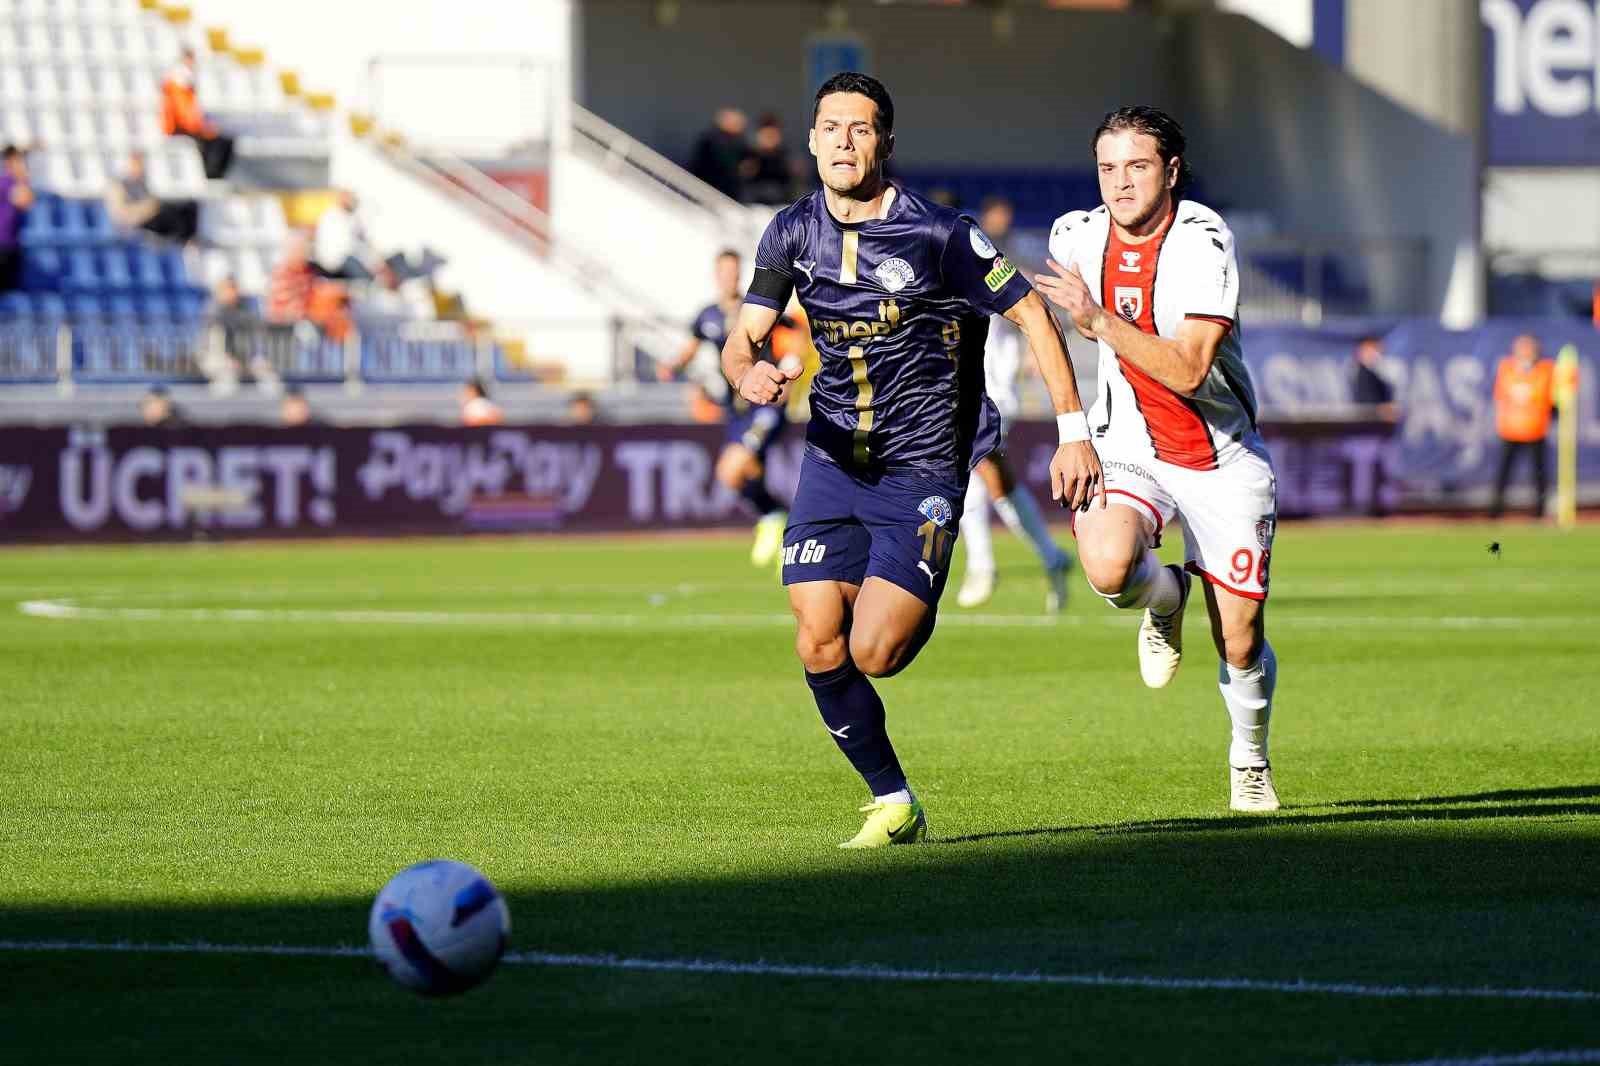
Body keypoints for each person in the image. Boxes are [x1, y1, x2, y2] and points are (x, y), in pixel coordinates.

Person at [721, 73, 1102, 848]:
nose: (843, 142)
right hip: (833, 453)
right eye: (830, 127)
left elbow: (1032, 314)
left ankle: (911, 585)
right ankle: (893, 799)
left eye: (860, 129)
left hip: (923, 464)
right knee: (815, 634)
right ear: (811, 138)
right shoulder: (791, 231)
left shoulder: (942, 235)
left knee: (876, 650)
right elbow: (745, 333)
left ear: (886, 143)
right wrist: (746, 370)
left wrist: (1074, 428)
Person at [1037, 106, 1281, 813]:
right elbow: (1036, 320)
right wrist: (1071, 428)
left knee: (1238, 638)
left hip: (1220, 458)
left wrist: (1100, 321)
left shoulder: (1203, 241)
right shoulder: (1075, 235)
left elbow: (1189, 370)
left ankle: (1249, 759)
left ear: (1171, 171)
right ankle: (1165, 594)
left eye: (1137, 166)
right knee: (1110, 568)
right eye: (1107, 168)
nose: (1120, 183)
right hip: (1127, 443)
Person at [956, 195, 1075, 612]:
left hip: (997, 394)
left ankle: (983, 566)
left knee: (972, 470)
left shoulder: (1002, 274)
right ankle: (1053, 558)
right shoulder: (951, 276)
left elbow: (1033, 312)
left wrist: (1031, 354)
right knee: (1000, 484)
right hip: (963, 392)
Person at [669, 249, 791, 566]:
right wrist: (672, 367)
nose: (730, 277)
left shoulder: (756, 308)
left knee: (735, 464)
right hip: (735, 409)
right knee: (735, 474)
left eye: (734, 272)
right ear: (716, 275)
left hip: (766, 402)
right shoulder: (707, 315)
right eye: (724, 272)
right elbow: (690, 349)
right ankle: (782, 522)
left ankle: (777, 519)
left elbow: (795, 334)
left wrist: (792, 370)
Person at [1490, 333, 1555, 520]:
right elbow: (1502, 394)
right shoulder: (1507, 368)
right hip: (1511, 429)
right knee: (1503, 473)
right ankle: (1495, 511)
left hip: (1536, 429)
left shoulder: (1545, 370)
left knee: (1539, 474)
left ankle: (1539, 511)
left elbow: (1550, 396)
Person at [160, 48, 234, 180]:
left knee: (222, 140)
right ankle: (211, 175)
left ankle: (213, 176)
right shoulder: (177, 84)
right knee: (217, 143)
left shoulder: (183, 85)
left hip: (187, 127)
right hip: (178, 129)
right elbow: (184, 117)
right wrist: (204, 129)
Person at [105, 151, 198, 245]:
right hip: (146, 227)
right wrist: (149, 207)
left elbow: (154, 203)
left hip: (161, 215)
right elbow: (123, 215)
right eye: (135, 163)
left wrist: (151, 206)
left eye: (140, 162)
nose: (138, 167)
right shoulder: (117, 186)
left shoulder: (148, 180)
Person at [688, 108, 748, 200]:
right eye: (737, 123)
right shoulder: (712, 139)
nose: (741, 126)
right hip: (708, 185)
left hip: (723, 187)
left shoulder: (738, 141)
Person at [312, 190, 373, 281]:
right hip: (337, 260)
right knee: (366, 279)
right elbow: (346, 246)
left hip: (342, 258)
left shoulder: (349, 216)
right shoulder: (332, 216)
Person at [741, 114, 796, 206]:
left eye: (773, 135)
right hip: (754, 203)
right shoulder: (750, 155)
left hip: (779, 203)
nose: (770, 140)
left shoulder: (783, 156)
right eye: (767, 135)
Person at [0, 146, 34, 292]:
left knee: (11, 291)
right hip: (2, 244)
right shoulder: (5, 183)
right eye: (18, 160)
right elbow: (24, 200)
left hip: (12, 244)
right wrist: (23, 179)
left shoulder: (13, 182)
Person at [1351, 335, 1397, 420]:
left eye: (1376, 350)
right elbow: (1367, 406)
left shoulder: (1375, 374)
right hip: (1369, 424)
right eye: (1370, 349)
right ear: (1360, 351)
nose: (1375, 353)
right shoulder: (1363, 375)